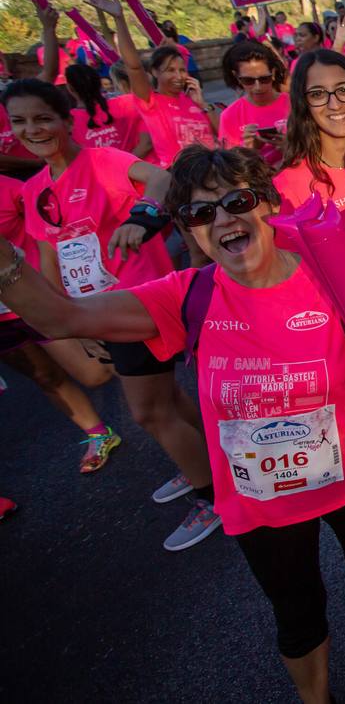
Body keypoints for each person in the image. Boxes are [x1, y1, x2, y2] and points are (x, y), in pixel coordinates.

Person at [0, 144, 345, 700]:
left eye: (237, 200)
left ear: (268, 203)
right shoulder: (187, 296)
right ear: (191, 232)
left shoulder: (328, 269)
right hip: (262, 503)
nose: (223, 218)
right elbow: (60, 316)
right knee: (296, 610)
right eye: (202, 213)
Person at [1, 78, 218, 549]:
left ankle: (212, 497)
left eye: (42, 118)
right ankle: (204, 463)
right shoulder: (37, 188)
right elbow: (49, 258)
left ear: (65, 118)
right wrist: (69, 322)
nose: (32, 129)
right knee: (165, 400)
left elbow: (161, 179)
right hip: (94, 312)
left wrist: (141, 219)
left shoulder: (103, 161)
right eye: (20, 121)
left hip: (138, 300)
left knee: (147, 412)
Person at [0, 172, 119, 473]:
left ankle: (159, 395)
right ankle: (98, 433)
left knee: (96, 373)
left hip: (34, 296)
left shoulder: (9, 189)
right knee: (44, 377)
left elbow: (49, 228)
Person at [83, 0, 219, 167]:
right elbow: (133, 66)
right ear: (154, 72)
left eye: (182, 70)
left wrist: (204, 106)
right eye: (170, 70)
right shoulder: (151, 102)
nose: (178, 76)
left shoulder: (193, 100)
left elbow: (222, 133)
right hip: (181, 179)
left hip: (213, 171)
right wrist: (119, 19)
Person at [272, 49, 345, 223]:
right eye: (317, 94)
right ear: (304, 105)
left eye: (344, 90)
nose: (335, 105)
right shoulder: (288, 186)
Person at [36, 7, 149, 156]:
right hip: (135, 171)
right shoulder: (125, 104)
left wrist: (49, 29)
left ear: (70, 88)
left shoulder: (67, 122)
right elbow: (135, 69)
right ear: (99, 82)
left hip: (102, 178)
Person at [217, 40, 290, 157]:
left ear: (273, 73)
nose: (258, 87)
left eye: (264, 79)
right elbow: (228, 168)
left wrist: (291, 148)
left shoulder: (296, 104)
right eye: (248, 81)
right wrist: (249, 150)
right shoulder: (229, 116)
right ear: (236, 77)